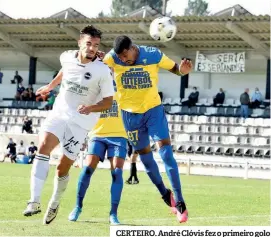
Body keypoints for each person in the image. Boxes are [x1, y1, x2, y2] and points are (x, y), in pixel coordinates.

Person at [22, 25, 114, 225]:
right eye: (88, 44)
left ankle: (54, 202)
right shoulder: (66, 56)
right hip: (60, 113)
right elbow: (66, 70)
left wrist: (90, 108)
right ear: (80, 43)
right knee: (44, 145)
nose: (91, 48)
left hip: (81, 123)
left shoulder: (102, 70)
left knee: (62, 168)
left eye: (95, 45)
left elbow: (108, 101)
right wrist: (51, 86)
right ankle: (34, 201)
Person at [102, 35, 192, 223]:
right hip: (129, 115)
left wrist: (182, 71)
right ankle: (166, 195)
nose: (124, 61)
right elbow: (96, 64)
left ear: (133, 48)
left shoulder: (153, 54)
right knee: (146, 158)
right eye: (121, 58)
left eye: (127, 56)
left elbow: (175, 69)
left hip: (153, 110)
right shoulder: (112, 58)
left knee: (166, 152)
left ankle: (181, 201)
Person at [68, 82, 127, 225]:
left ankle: (113, 213)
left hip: (119, 136)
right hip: (97, 135)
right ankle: (77, 207)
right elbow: (81, 111)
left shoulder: (125, 92)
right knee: (88, 168)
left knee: (117, 172)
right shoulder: (94, 94)